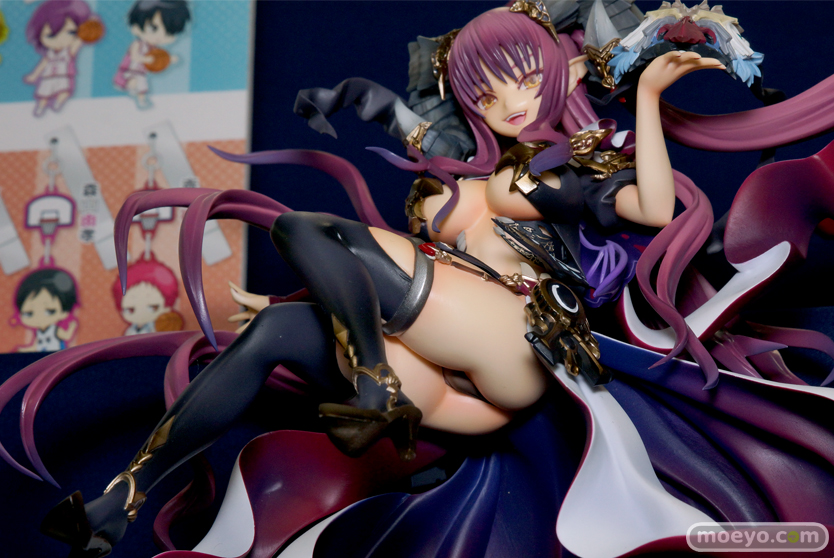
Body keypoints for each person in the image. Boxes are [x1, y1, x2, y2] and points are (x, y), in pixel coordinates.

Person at [3, 3, 834, 557]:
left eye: (524, 76)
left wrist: (647, 97)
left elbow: (652, 208)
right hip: (444, 379)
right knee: (276, 333)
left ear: (559, 74)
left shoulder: (550, 172)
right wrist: (304, 291)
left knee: (304, 228)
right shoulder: (468, 172)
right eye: (488, 88)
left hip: (513, 341)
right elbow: (393, 193)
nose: (510, 99)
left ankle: (371, 386)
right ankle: (121, 501)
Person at [23, 0, 103, 117]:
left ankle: (58, 103)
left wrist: (90, 24)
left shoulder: (68, 52)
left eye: (71, 32)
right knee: (44, 95)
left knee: (64, 91)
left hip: (63, 77)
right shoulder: (50, 54)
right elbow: (42, 64)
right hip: (48, 77)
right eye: (50, 35)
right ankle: (40, 107)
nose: (60, 40)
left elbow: (79, 40)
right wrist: (34, 75)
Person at [113, 0, 191, 109]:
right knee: (134, 83)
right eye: (153, 28)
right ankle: (130, 92)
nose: (160, 37)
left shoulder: (154, 49)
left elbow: (159, 59)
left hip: (141, 74)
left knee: (142, 86)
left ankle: (141, 100)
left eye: (169, 33)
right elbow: (135, 57)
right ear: (136, 27)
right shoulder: (137, 44)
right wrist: (146, 59)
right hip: (128, 72)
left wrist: (169, 59)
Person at [12, 268, 78, 352]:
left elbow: (67, 336)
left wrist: (72, 327)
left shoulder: (55, 330)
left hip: (57, 356)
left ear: (64, 312)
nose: (39, 317)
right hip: (41, 358)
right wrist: (22, 350)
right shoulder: (39, 333)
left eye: (50, 311)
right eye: (29, 313)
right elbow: (35, 347)